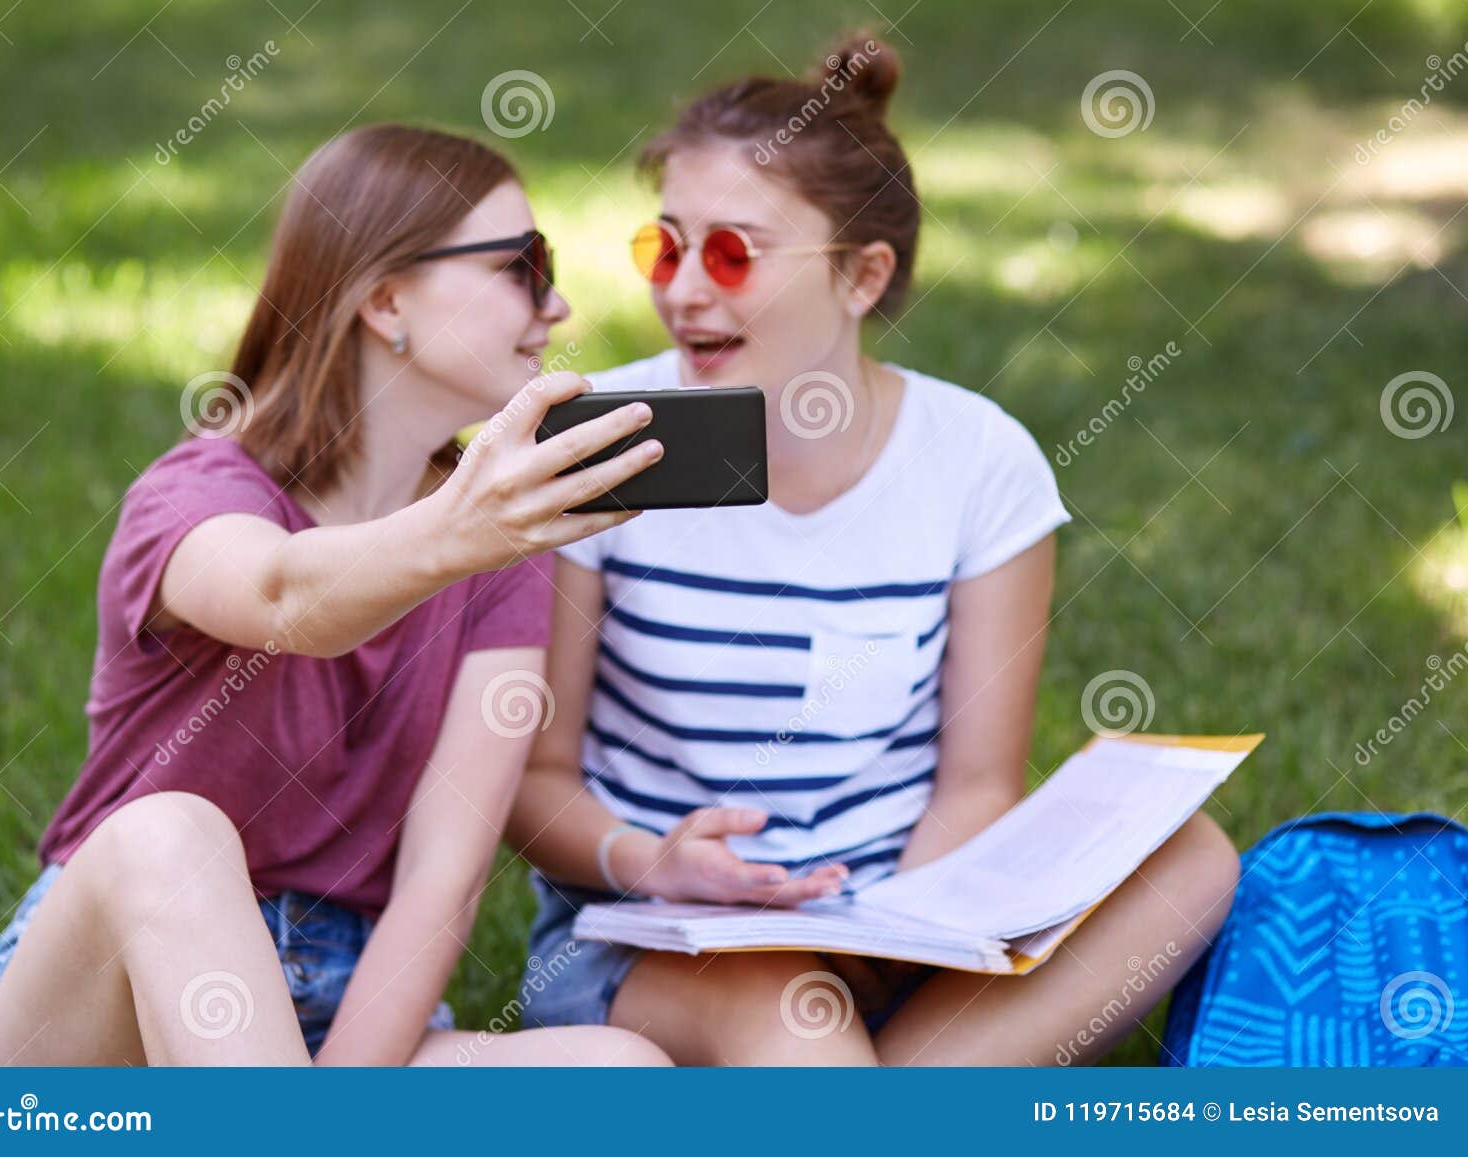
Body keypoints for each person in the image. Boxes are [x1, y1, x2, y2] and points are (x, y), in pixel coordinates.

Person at [507, 35, 1240, 1066]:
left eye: (731, 254)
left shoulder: (978, 459)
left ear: (862, 276)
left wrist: (897, 926)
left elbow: (975, 785)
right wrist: (652, 860)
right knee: (789, 1007)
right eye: (664, 248)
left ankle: (862, 1083)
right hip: (664, 939)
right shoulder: (599, 445)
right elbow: (533, 782)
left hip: (894, 921)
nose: (681, 293)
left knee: (1192, 857)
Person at [0, 123, 669, 1067]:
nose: (560, 304)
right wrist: (461, 533)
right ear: (385, 299)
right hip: (110, 1006)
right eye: (523, 266)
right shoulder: (197, 493)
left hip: (339, 1012)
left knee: (617, 1072)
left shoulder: (501, 547)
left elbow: (441, 874)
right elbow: (286, 598)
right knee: (170, 835)